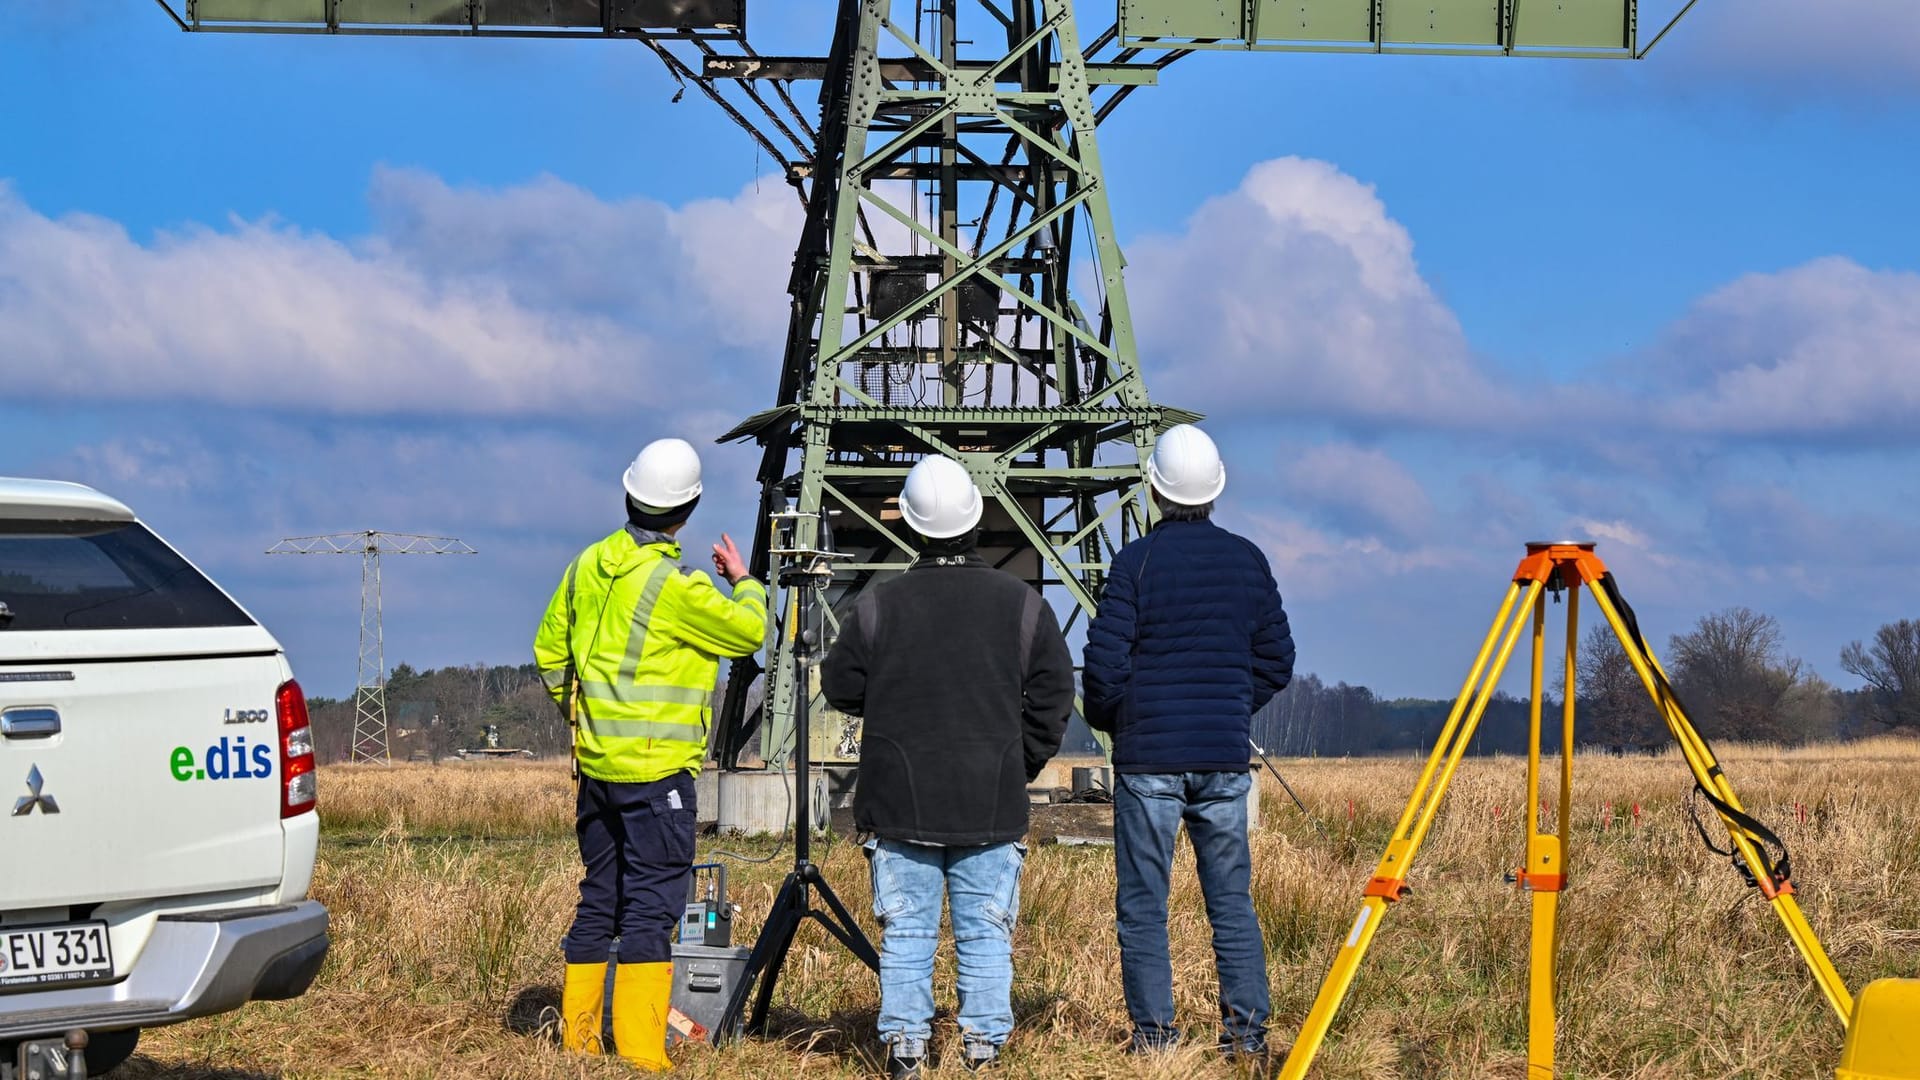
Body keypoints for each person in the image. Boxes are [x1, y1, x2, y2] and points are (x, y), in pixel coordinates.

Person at [821, 455, 1075, 1078]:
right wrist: (1019, 764)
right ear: (975, 520)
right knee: (986, 935)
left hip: (900, 802)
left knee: (907, 936)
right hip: (990, 801)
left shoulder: (880, 608)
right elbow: (1054, 693)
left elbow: (839, 683)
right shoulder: (1023, 607)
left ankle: (906, 1052)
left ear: (909, 526)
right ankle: (982, 1053)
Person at [533, 437, 768, 1071]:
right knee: (652, 905)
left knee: (600, 897)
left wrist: (584, 721)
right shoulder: (676, 586)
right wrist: (746, 583)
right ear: (687, 510)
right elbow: (750, 631)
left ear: (629, 492)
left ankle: (580, 1041)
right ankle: (640, 1051)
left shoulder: (587, 565)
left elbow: (549, 652)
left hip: (597, 769)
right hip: (657, 774)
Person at [1082, 424, 1295, 1062]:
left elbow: (1103, 670)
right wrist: (1229, 708)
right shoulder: (1248, 559)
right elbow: (1277, 660)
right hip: (1223, 761)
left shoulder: (1136, 562)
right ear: (1215, 489)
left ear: (1155, 490)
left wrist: (1120, 721)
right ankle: (1247, 1043)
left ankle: (1155, 1044)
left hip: (1148, 762)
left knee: (1144, 906)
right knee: (1231, 902)